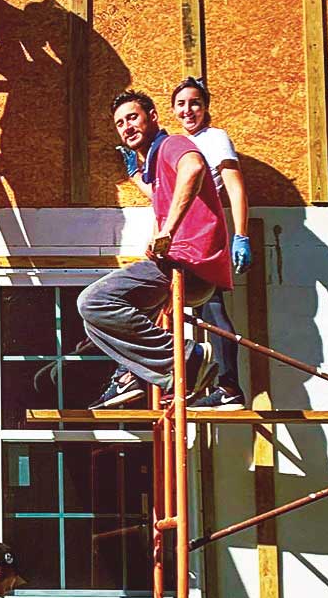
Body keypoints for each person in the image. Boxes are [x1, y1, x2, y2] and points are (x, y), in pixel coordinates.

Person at [81, 90, 232, 407]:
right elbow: (160, 199)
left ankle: (188, 358)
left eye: (132, 117)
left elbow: (193, 169)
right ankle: (134, 375)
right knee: (95, 323)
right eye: (120, 123)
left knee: (93, 301)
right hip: (186, 267)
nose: (126, 127)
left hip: (189, 260)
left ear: (153, 116)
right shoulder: (155, 165)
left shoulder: (171, 144)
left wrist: (168, 231)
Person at [116, 76, 252, 408]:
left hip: (199, 236)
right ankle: (175, 381)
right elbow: (159, 195)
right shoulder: (166, 148)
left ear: (206, 108)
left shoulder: (212, 139)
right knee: (173, 309)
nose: (188, 109)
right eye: (181, 104)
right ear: (172, 110)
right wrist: (135, 172)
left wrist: (241, 233)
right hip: (180, 238)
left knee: (212, 310)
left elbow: (232, 185)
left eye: (195, 103)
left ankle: (228, 387)